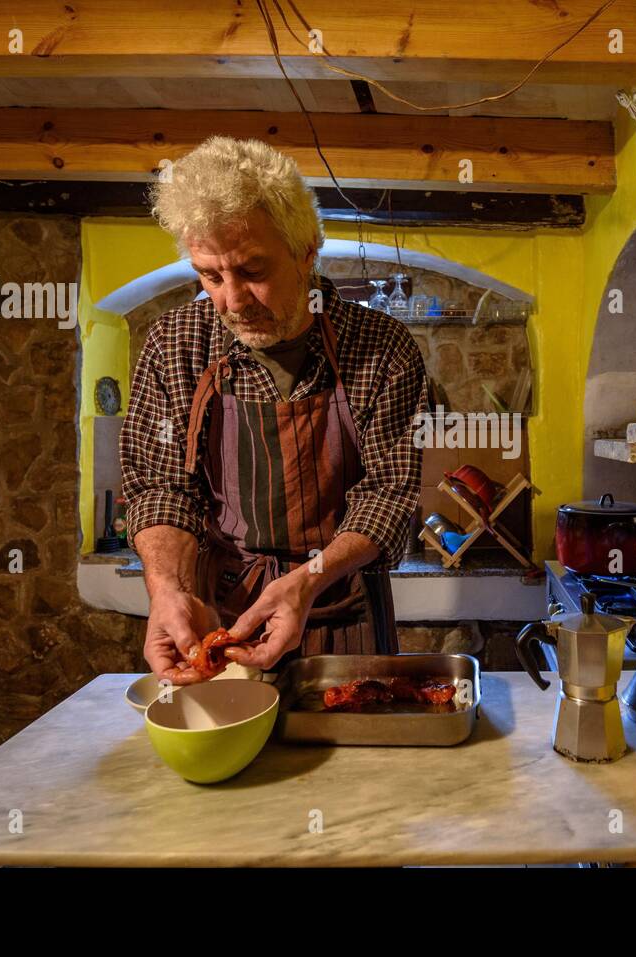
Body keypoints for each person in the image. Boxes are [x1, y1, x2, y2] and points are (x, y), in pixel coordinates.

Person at [121, 136, 428, 682]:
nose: (233, 300)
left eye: (252, 271)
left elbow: (389, 492)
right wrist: (169, 591)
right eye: (211, 276)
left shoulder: (382, 347)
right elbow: (160, 489)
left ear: (307, 249)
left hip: (341, 608)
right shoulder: (175, 345)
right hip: (217, 615)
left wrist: (308, 579)